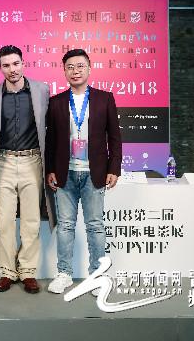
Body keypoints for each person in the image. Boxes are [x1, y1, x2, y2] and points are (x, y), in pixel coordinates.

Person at [45, 49, 122, 294]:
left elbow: (115, 137)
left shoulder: (104, 98)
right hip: (65, 173)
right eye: (70, 67)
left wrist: (114, 168)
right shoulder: (56, 102)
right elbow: (51, 140)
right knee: (65, 226)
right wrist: (50, 169)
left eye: (80, 66)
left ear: (89, 69)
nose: (75, 71)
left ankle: (97, 275)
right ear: (64, 71)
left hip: (94, 173)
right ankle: (64, 274)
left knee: (95, 226)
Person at [0, 45, 53, 294]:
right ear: (0, 67)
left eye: (16, 63)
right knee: (3, 221)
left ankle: (27, 271)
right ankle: (7, 272)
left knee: (31, 221)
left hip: (32, 160)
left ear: (23, 63)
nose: (12, 69)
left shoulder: (41, 90)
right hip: (3, 162)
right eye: (6, 65)